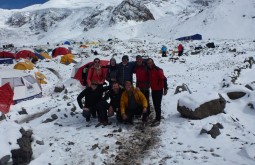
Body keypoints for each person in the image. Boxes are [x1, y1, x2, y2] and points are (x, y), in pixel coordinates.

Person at [146, 58, 168, 127]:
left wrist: (165, 88)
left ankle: (158, 119)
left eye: (150, 62)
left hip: (159, 90)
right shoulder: (149, 70)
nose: (149, 64)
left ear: (153, 62)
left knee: (157, 105)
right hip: (153, 89)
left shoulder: (157, 70)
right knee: (155, 104)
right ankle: (157, 116)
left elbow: (164, 79)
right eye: (148, 63)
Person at [133, 55, 150, 121]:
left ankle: (146, 115)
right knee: (140, 100)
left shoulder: (146, 67)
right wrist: (137, 86)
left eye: (140, 59)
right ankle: (141, 113)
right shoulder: (136, 67)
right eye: (137, 60)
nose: (138, 61)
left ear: (142, 60)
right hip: (139, 86)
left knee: (146, 101)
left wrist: (149, 84)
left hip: (146, 86)